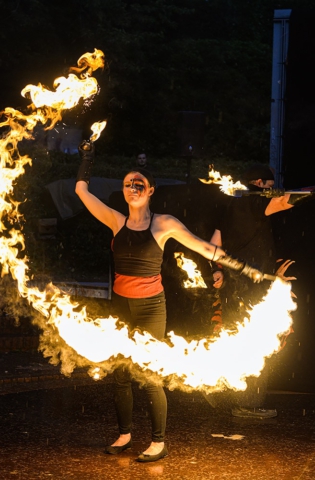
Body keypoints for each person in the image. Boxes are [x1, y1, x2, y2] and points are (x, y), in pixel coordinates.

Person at [75, 141, 264, 462]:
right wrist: (87, 158)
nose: (132, 188)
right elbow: (81, 191)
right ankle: (124, 434)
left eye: (139, 184)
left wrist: (242, 267)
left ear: (150, 191)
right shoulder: (115, 221)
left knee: (148, 376)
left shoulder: (163, 224)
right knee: (120, 375)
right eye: (128, 184)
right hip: (120, 307)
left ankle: (159, 442)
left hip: (151, 308)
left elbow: (205, 248)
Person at [209, 163, 296, 418]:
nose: (271, 191)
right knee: (256, 341)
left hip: (234, 287)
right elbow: (283, 203)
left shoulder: (228, 207)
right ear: (259, 184)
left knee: (237, 338)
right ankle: (248, 404)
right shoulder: (253, 201)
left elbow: (214, 246)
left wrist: (218, 271)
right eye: (269, 187)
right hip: (251, 290)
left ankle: (221, 393)